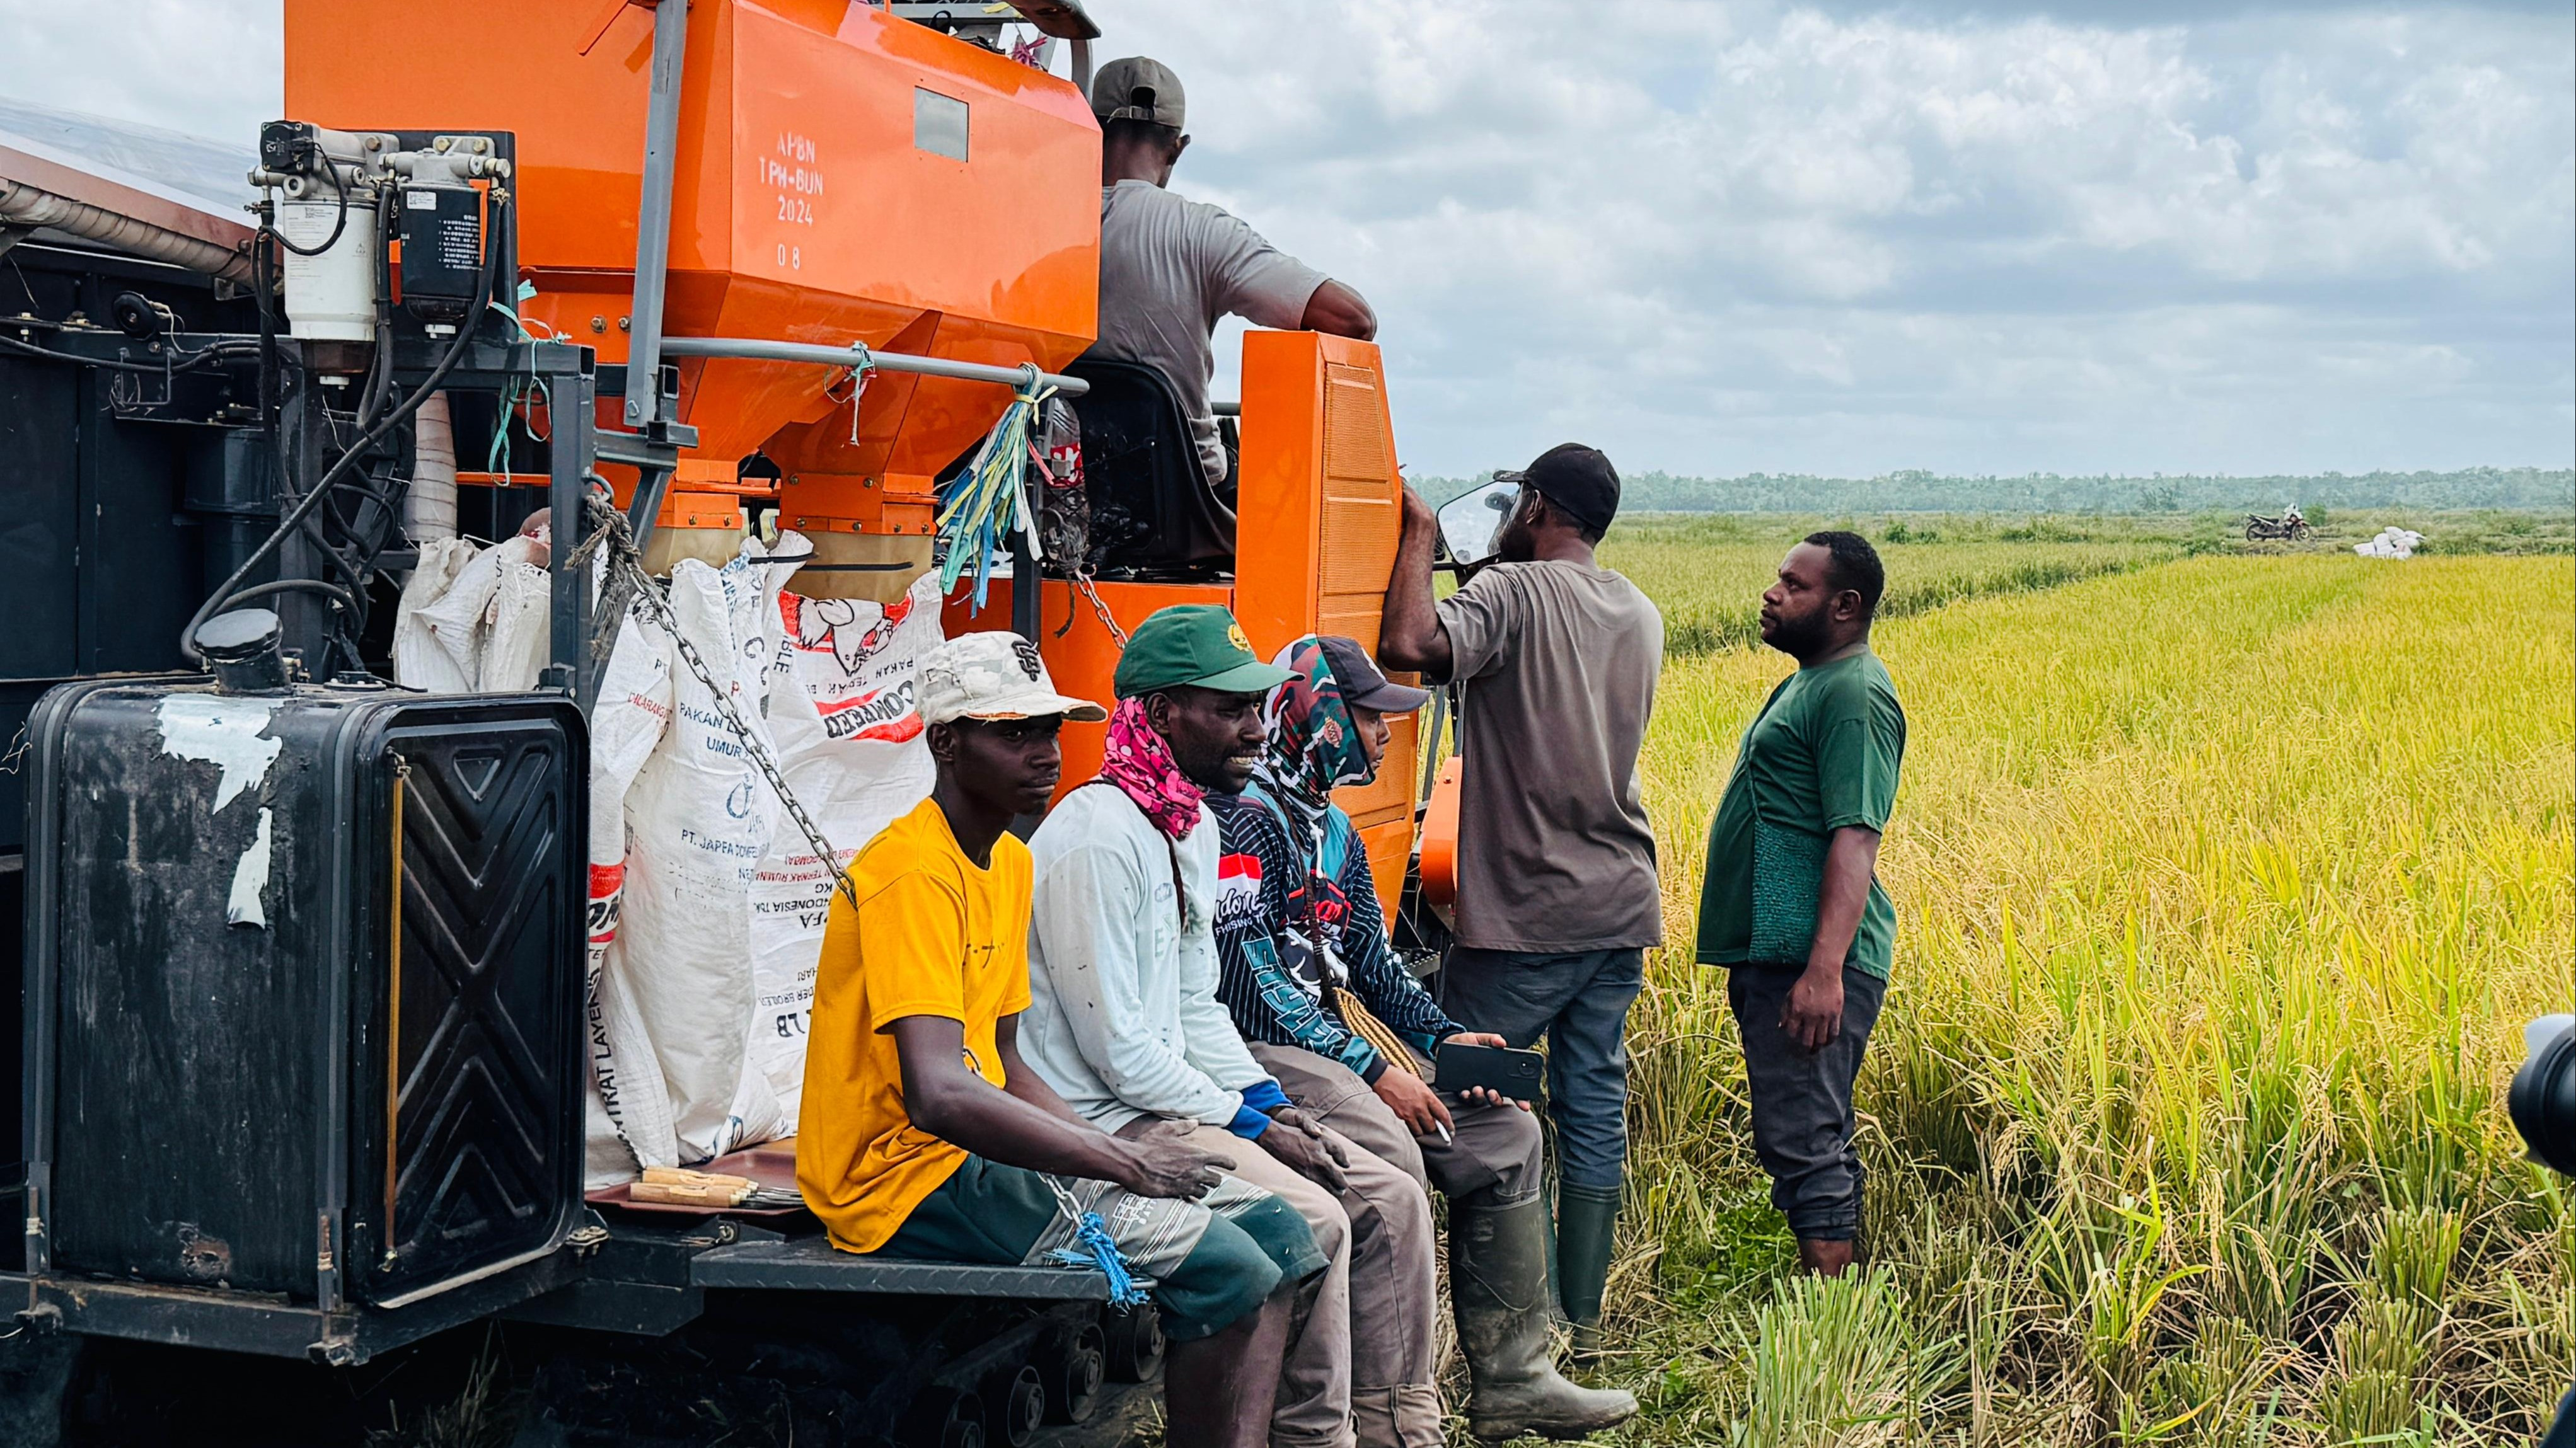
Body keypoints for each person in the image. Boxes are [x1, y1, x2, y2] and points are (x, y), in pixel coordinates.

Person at [795, 631, 1328, 1448]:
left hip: (977, 1158)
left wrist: (1094, 1145)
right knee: (1229, 1271)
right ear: (945, 741)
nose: (1044, 752)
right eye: (1012, 732)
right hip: (903, 1178)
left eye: (1048, 730)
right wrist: (1121, 1160)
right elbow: (937, 1093)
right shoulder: (910, 873)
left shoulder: (1007, 861)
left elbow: (1005, 1062)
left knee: (1284, 1240)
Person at [1020, 606, 1441, 1448]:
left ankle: (1398, 1429)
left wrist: (1266, 1107)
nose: (1254, 727)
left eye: (1256, 707)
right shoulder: (1095, 835)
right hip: (1106, 1119)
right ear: (1160, 712)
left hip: (1170, 1099)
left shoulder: (1187, 823)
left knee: (1385, 1192)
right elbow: (1120, 1049)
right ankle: (1315, 1436)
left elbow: (1195, 1004)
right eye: (1229, 709)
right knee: (1318, 1217)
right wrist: (1249, 1118)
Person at [1209, 633, 1640, 1441]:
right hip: (1263, 1056)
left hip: (1336, 1055)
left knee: (1507, 1136)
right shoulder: (1245, 824)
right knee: (1396, 1155)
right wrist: (1377, 1071)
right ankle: (1392, 1422)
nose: (1384, 736)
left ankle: (1516, 1381)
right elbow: (1252, 984)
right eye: (1372, 719)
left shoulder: (1330, 830)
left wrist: (1449, 1042)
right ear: (1324, 717)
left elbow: (1374, 965)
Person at [1376, 443, 1664, 1351]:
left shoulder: (1507, 597)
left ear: (1534, 508)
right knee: (1590, 1103)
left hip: (1524, 919)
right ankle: (1581, 1320)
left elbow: (1410, 646)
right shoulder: (1639, 610)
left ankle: (1509, 1339)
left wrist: (1422, 533)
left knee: (1476, 1106)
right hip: (1619, 903)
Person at [1693, 532, 1906, 1278]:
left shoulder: (1853, 692)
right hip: (1778, 951)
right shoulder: (1814, 680)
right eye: (1777, 580)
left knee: (1805, 1138)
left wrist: (1824, 971)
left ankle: (1830, 1323)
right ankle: (1830, 1303)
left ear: (1845, 606)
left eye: (1794, 584)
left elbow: (1855, 836)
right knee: (1805, 1131)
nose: (1772, 593)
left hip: (1806, 960)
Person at [1085, 56, 1378, 491]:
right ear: (1177, 148)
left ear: (1090, 129)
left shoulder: (1033, 220)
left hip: (1051, 481)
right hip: (1180, 494)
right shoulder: (1202, 231)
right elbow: (1352, 320)